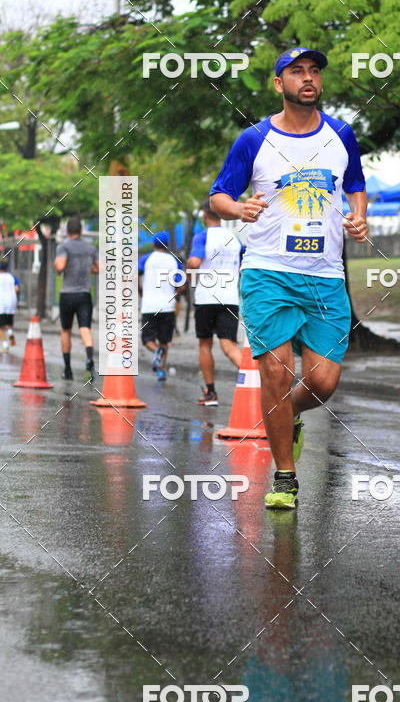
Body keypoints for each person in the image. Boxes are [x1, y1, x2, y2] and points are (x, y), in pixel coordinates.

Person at [210, 46, 368, 509]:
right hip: (267, 271)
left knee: (323, 383)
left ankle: (288, 414)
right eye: (296, 72)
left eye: (314, 71)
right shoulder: (254, 138)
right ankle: (284, 477)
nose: (308, 78)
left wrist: (360, 218)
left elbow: (355, 185)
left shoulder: (341, 134)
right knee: (275, 373)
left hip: (324, 275)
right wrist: (239, 208)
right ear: (278, 84)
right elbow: (219, 195)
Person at [187, 203, 243, 406]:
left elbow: (194, 262)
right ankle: (256, 380)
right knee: (229, 345)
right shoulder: (234, 239)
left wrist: (188, 269)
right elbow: (245, 261)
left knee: (205, 343)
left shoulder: (202, 236)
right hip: (230, 298)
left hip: (207, 298)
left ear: (204, 215)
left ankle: (210, 393)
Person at [54, 215, 99, 380]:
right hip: (84, 294)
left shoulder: (63, 247)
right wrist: (90, 269)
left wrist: (58, 268)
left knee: (65, 330)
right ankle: (89, 359)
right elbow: (98, 268)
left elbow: (60, 266)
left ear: (67, 231)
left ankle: (67, 370)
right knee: (84, 328)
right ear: (81, 230)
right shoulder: (91, 248)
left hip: (67, 294)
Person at [138, 232, 182, 381]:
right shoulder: (174, 260)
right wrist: (175, 294)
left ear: (153, 244)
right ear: (167, 245)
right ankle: (161, 370)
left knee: (147, 339)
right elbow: (181, 283)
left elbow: (135, 275)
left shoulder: (145, 259)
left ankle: (156, 351)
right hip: (168, 307)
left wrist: (140, 290)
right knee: (164, 340)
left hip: (149, 305)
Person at [0, 260, 20, 351]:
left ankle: (5, 346)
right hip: (11, 303)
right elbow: (17, 288)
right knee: (8, 324)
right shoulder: (12, 277)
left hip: (1, 304)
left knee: (1, 327)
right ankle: (11, 337)